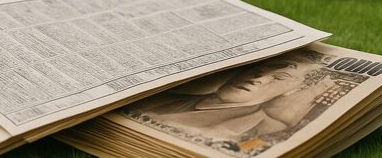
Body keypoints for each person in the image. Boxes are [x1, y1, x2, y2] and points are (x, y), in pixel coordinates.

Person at [132, 52, 334, 143]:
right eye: (261, 69)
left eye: (279, 78)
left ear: (289, 92)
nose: (259, 78)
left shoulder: (257, 130)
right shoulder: (163, 96)